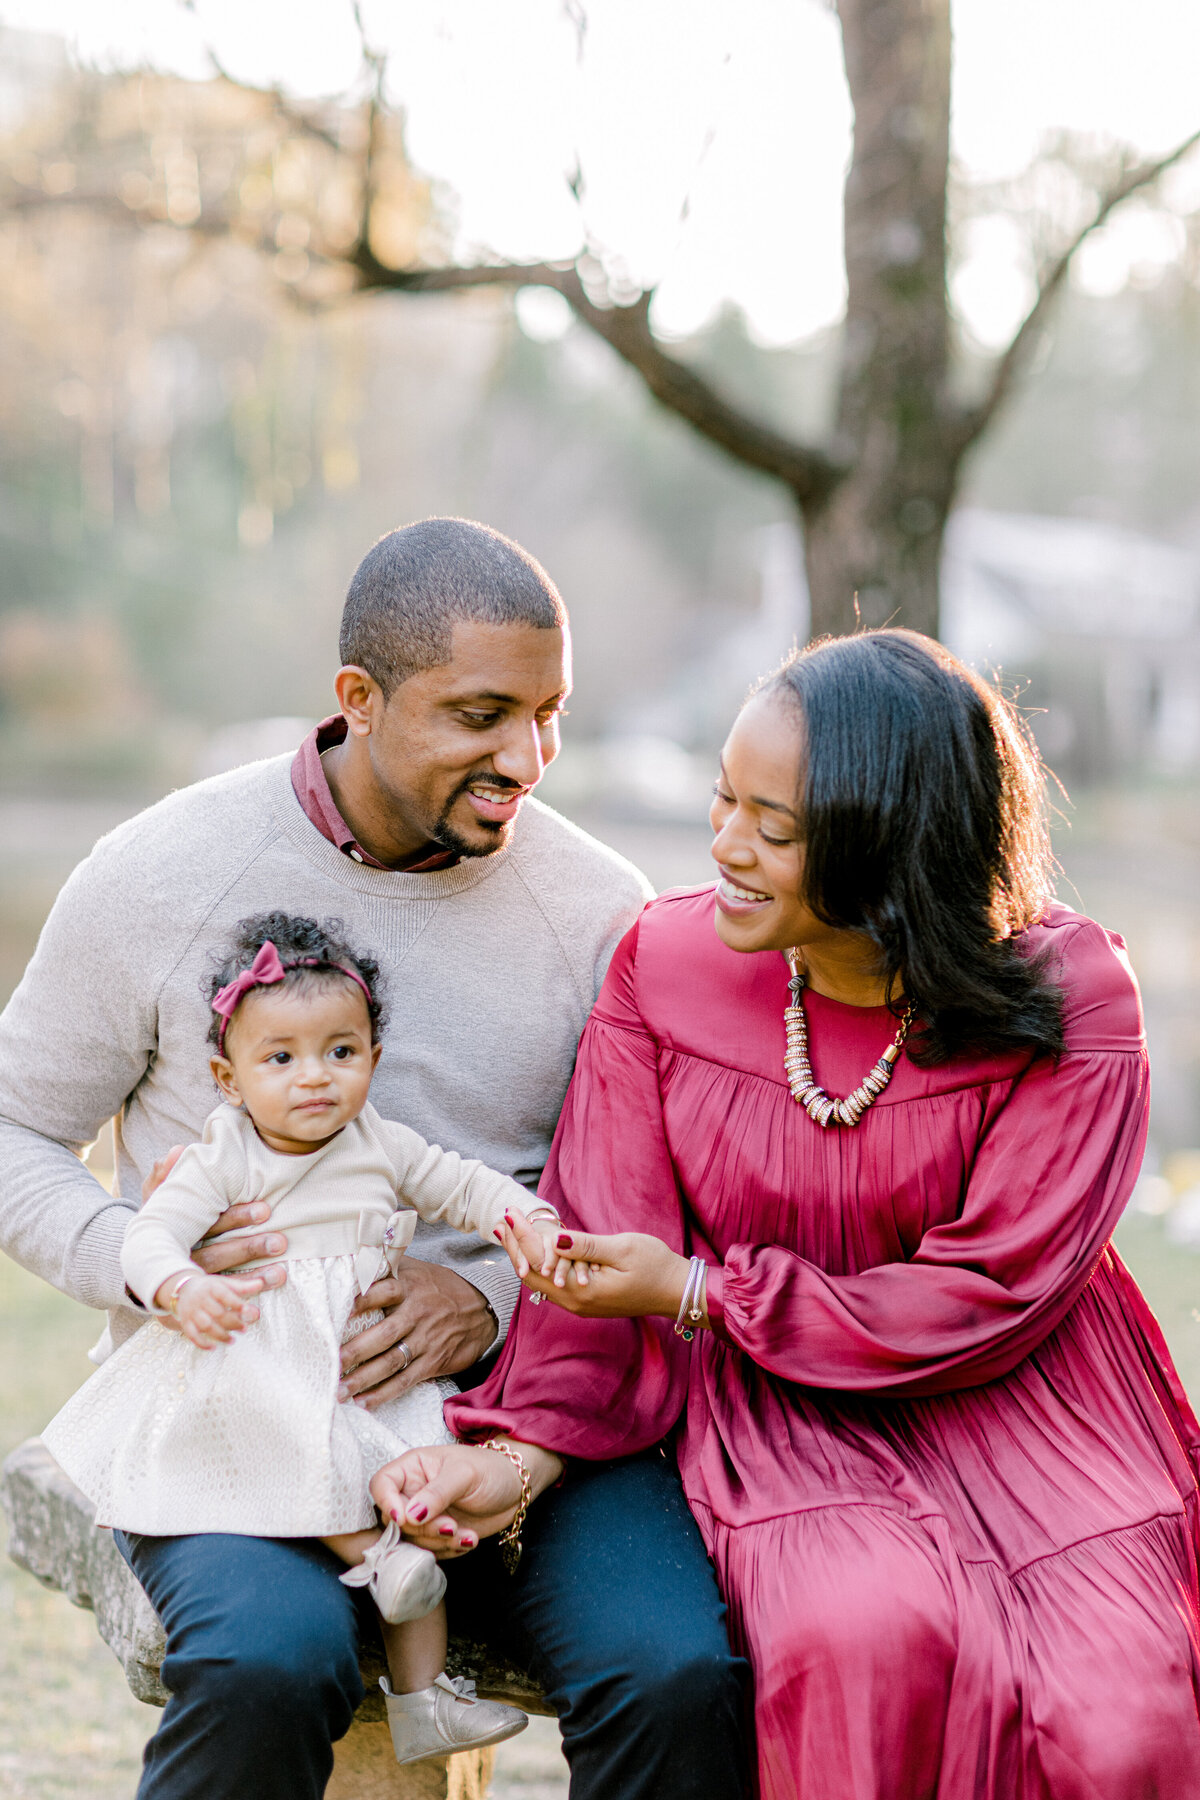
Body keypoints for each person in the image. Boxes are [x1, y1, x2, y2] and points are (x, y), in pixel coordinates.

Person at [374, 629, 1200, 1800]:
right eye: (723, 802)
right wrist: (521, 1455)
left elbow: (994, 1293)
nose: (726, 847)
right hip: (786, 1414)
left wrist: (704, 1289)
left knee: (1121, 1711)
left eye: (776, 827)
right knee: (861, 1637)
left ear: (892, 842)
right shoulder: (660, 966)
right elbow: (600, 1251)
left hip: (1033, 1408)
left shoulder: (1072, 999)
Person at [0, 518, 748, 1800]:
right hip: (248, 1403)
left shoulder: (602, 909)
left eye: (551, 713)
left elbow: (652, 1184)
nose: (527, 758)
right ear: (358, 700)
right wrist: (146, 1264)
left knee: (676, 1671)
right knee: (267, 1662)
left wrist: (498, 1294)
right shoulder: (161, 875)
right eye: (480, 714)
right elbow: (17, 1128)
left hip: (530, 1415)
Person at [43, 909, 593, 1765]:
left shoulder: (381, 1144)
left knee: (413, 1497)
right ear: (228, 1078)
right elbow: (151, 1234)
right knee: (325, 1475)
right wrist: (179, 1284)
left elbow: (463, 1186)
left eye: (341, 1052)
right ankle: (371, 1556)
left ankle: (423, 1698)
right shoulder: (222, 1156)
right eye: (281, 1057)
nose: (315, 1078)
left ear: (374, 1059)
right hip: (254, 1364)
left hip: (359, 1373)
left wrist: (523, 1217)